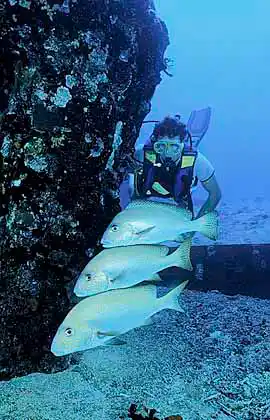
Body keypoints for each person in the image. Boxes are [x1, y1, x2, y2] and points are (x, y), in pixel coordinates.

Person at [125, 115, 221, 219]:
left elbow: (215, 194)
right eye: (161, 146)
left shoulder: (198, 161)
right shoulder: (140, 153)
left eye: (174, 147)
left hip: (179, 203)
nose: (167, 153)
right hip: (145, 202)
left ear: (182, 144)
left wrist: (196, 224)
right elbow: (131, 182)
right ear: (154, 144)